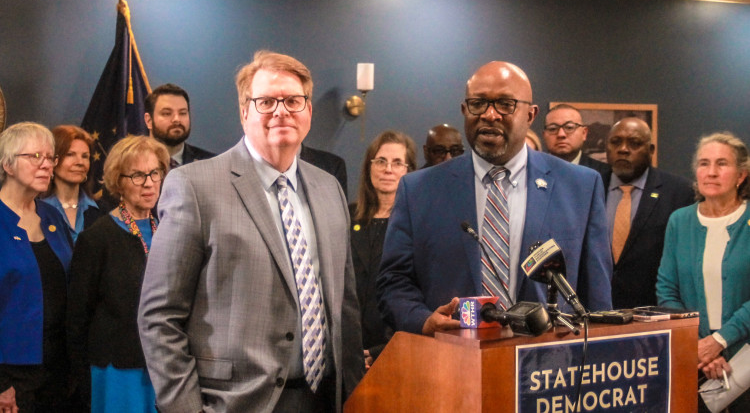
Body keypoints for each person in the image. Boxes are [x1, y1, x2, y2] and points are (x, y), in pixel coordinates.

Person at [138, 50, 364, 413]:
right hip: (233, 403)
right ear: (245, 111)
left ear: (308, 110)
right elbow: (159, 317)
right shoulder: (193, 186)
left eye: (293, 100)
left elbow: (345, 307)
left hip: (323, 398)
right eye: (266, 101)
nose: (281, 111)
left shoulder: (329, 188)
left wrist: (353, 398)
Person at [377, 61, 612, 337]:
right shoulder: (418, 190)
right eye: (478, 103)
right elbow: (393, 283)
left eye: (505, 104)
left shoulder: (580, 186)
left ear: (531, 114)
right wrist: (423, 320)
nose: (490, 114)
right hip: (450, 363)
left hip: (549, 366)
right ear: (465, 110)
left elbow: (597, 295)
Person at [66, 135, 168, 412]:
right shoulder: (97, 238)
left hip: (165, 367)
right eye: (137, 175)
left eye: (154, 173)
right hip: (118, 370)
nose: (148, 183)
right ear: (117, 181)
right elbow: (77, 318)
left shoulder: (171, 231)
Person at [657, 132, 750, 411]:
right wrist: (701, 347)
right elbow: (666, 290)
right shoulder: (679, 220)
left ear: (741, 175)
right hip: (695, 359)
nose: (711, 172)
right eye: (703, 163)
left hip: (744, 357)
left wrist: (720, 341)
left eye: (722, 164)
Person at [0, 122, 73, 412]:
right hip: (13, 374)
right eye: (35, 157)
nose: (46, 165)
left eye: (50, 157)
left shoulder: (51, 214)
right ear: (7, 165)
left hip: (58, 367)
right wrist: (1, 383)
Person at [604, 118, 693, 308]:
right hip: (595, 310)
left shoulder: (679, 192)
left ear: (651, 150)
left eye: (634, 143)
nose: (623, 149)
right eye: (616, 142)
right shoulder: (590, 187)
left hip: (652, 311)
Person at [350, 130, 416, 368]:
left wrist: (381, 350)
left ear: (409, 171)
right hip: (347, 348)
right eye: (381, 161)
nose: (388, 169)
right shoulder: (346, 216)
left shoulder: (416, 224)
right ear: (369, 167)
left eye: (397, 163)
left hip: (393, 350)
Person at [40, 125, 103, 242]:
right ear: (52, 159)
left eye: (85, 156)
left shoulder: (102, 211)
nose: (80, 162)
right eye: (70, 154)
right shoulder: (36, 209)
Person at [144, 83, 215, 168]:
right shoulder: (130, 163)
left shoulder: (210, 163)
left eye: (182, 113)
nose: (177, 119)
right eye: (167, 113)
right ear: (149, 121)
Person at [542, 104, 608, 179]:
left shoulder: (603, 174)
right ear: (544, 135)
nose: (561, 134)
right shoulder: (533, 170)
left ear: (584, 133)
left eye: (569, 127)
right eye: (553, 129)